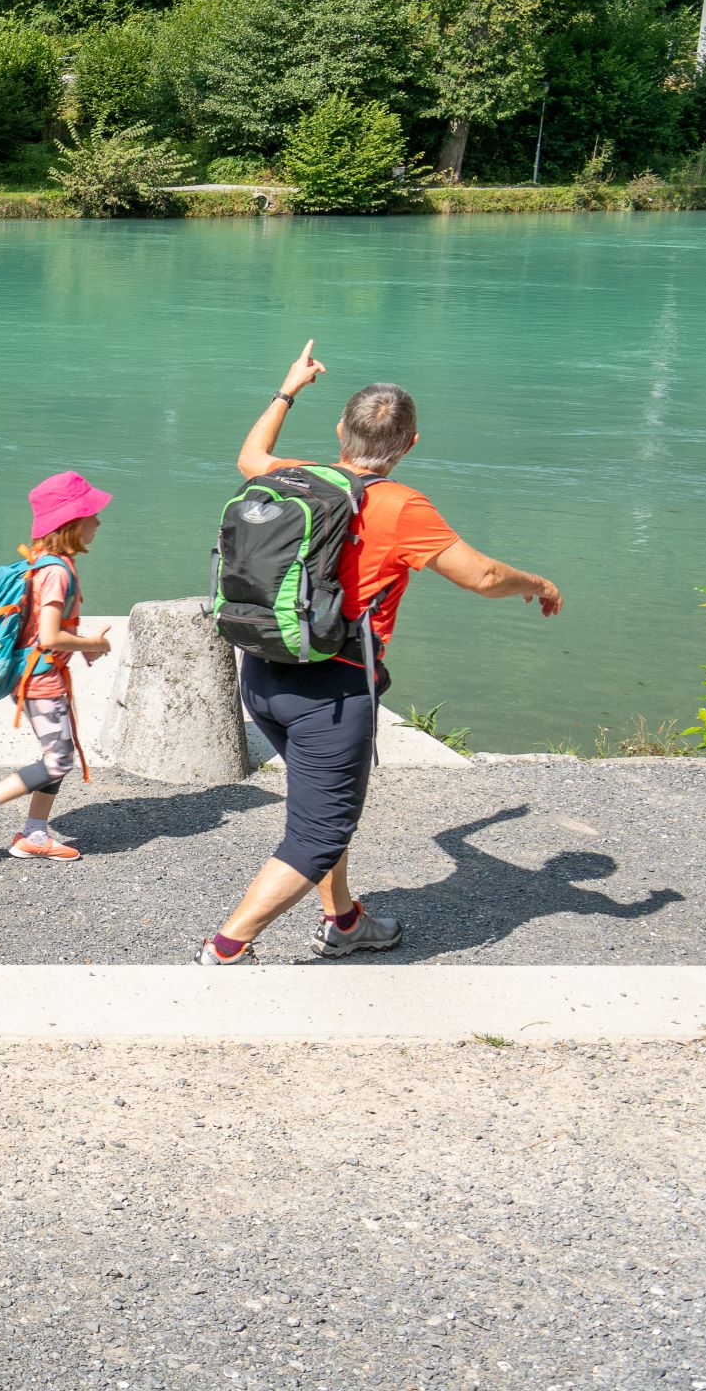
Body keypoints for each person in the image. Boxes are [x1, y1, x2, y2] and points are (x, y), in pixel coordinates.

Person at [197, 342, 563, 965]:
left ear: (341, 431)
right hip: (331, 693)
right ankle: (226, 949)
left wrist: (289, 388)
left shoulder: (295, 478)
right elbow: (481, 576)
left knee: (319, 804)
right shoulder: (400, 506)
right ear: (411, 443)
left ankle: (344, 921)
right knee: (319, 832)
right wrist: (540, 584)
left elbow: (248, 455)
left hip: (261, 674)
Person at [0, 472, 115, 862]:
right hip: (41, 680)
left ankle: (34, 834)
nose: (98, 522)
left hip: (38, 673)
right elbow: (50, 637)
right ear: (71, 523)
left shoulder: (43, 562)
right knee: (58, 760)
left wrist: (81, 649)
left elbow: (41, 628)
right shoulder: (56, 571)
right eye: (92, 514)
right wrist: (93, 643)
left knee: (57, 754)